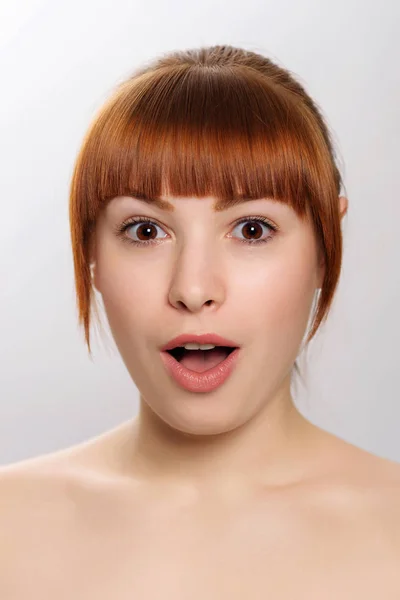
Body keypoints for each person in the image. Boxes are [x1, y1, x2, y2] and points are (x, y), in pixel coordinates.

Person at [1, 44, 399, 598]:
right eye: (145, 231)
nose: (192, 289)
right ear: (91, 253)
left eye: (252, 229)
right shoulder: (9, 529)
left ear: (327, 245)